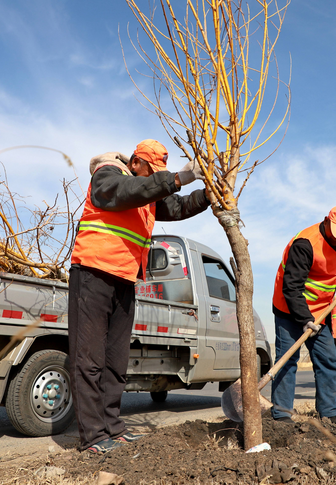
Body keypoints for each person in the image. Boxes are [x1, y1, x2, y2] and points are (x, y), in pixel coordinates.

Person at [68, 140, 209, 454]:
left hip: (124, 280)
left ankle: (112, 427)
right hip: (93, 273)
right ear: (135, 163)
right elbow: (125, 191)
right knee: (89, 360)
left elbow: (178, 207)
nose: (155, 179)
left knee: (116, 361)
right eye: (153, 172)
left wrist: (208, 195)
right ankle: (92, 436)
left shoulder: (146, 193)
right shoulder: (108, 175)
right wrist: (176, 178)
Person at [271, 205, 336, 426]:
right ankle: (281, 414)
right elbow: (291, 288)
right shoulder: (305, 244)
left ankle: (328, 413)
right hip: (289, 310)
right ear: (326, 221)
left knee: (328, 360)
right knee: (287, 361)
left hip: (320, 313)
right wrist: (305, 319)